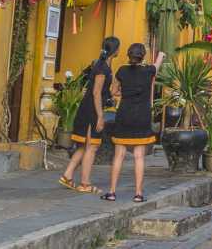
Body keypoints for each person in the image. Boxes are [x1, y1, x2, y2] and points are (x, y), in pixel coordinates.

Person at [60, 36, 119, 194]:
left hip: (90, 108)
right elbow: (96, 92)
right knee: (92, 147)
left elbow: (102, 91)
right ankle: (85, 183)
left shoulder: (104, 66)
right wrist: (100, 116)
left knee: (83, 146)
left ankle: (67, 175)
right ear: (116, 51)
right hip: (91, 110)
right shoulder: (102, 68)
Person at [102, 44, 161, 203]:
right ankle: (138, 194)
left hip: (124, 115)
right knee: (139, 156)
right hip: (142, 116)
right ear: (143, 56)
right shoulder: (149, 71)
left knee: (119, 155)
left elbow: (113, 92)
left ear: (129, 55)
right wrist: (161, 54)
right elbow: (158, 64)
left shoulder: (122, 71)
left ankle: (112, 192)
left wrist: (125, 92)